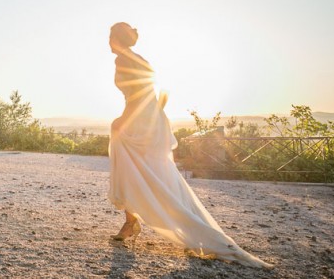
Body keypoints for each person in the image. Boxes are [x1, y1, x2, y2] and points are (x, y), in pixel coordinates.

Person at [107, 22, 271, 268]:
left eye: (109, 36)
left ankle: (187, 227)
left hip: (139, 121)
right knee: (144, 171)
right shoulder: (139, 59)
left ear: (115, 39)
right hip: (151, 120)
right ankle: (132, 222)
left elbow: (139, 95)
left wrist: (126, 120)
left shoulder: (124, 61)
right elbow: (161, 91)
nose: (108, 41)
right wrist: (154, 116)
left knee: (144, 173)